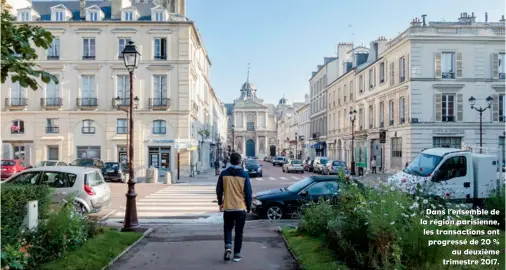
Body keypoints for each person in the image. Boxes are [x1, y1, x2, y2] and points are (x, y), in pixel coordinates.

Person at [216, 152, 252, 262]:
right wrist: (249, 207)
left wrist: (220, 202)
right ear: (239, 161)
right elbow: (249, 193)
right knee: (239, 232)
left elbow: (219, 190)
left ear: (230, 161)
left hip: (228, 207)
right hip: (240, 208)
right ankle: (236, 255)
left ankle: (228, 247)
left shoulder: (224, 173)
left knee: (227, 228)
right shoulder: (244, 174)